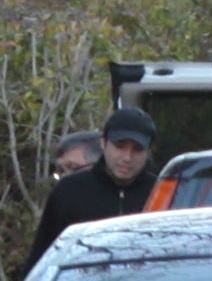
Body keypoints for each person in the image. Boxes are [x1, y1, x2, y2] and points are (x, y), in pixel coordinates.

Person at [27, 104, 157, 267]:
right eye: (120, 146)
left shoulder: (160, 194)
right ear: (103, 143)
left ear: (148, 153)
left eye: (137, 149)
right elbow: (41, 261)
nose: (127, 157)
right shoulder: (69, 192)